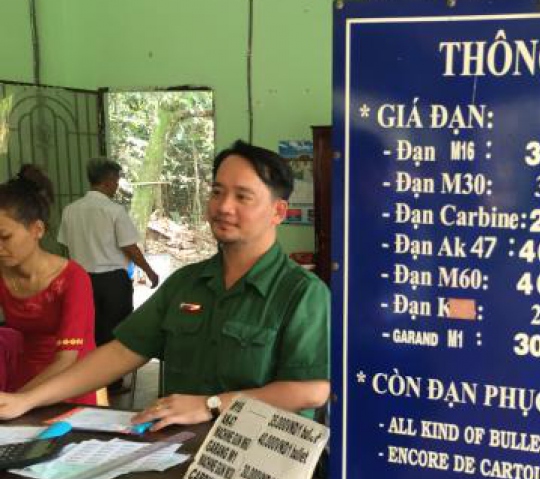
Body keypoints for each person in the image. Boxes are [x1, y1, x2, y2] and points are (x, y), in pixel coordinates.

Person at [0, 141, 330, 429]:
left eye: (243, 196)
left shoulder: (302, 292)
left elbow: (311, 390)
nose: (224, 207)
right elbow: (121, 353)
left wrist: (211, 405)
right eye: (217, 192)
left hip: (258, 461)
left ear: (278, 211)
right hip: (178, 454)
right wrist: (27, 399)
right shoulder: (187, 283)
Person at [58, 158, 159, 395]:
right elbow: (129, 246)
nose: (117, 185)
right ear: (108, 181)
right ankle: (111, 383)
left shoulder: (70, 210)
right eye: (116, 180)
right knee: (115, 331)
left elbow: (64, 244)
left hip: (81, 280)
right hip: (112, 281)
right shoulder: (113, 210)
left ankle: (88, 382)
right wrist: (149, 270)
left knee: (89, 329)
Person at [0, 166, 98, 405]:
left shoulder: (73, 278)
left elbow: (67, 359)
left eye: (5, 237)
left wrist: (20, 400)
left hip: (70, 387)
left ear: (37, 229)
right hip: (25, 381)